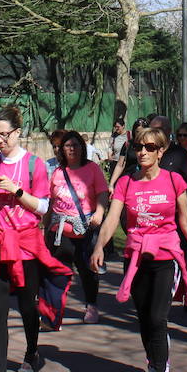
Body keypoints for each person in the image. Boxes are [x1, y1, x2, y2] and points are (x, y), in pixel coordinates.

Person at [90, 126, 187, 372]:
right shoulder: (127, 183)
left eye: (150, 147)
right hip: (136, 257)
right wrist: (98, 247)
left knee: (157, 318)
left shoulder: (173, 180)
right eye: (139, 147)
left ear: (161, 151)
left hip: (166, 256)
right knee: (143, 319)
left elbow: (186, 220)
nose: (142, 152)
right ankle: (153, 366)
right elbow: (113, 218)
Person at [0, 105, 72, 372]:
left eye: (5, 134)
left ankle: (31, 351)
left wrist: (16, 190)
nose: (0, 140)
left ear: (18, 132)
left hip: (26, 244)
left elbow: (43, 208)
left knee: (27, 305)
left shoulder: (35, 165)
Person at [48, 130, 110, 323]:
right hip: (60, 231)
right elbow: (51, 201)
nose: (72, 149)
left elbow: (102, 192)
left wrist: (99, 213)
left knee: (87, 270)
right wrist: (45, 228)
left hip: (85, 228)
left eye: (75, 145)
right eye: (68, 146)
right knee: (58, 270)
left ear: (82, 148)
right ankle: (54, 309)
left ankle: (91, 305)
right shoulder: (58, 172)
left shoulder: (91, 168)